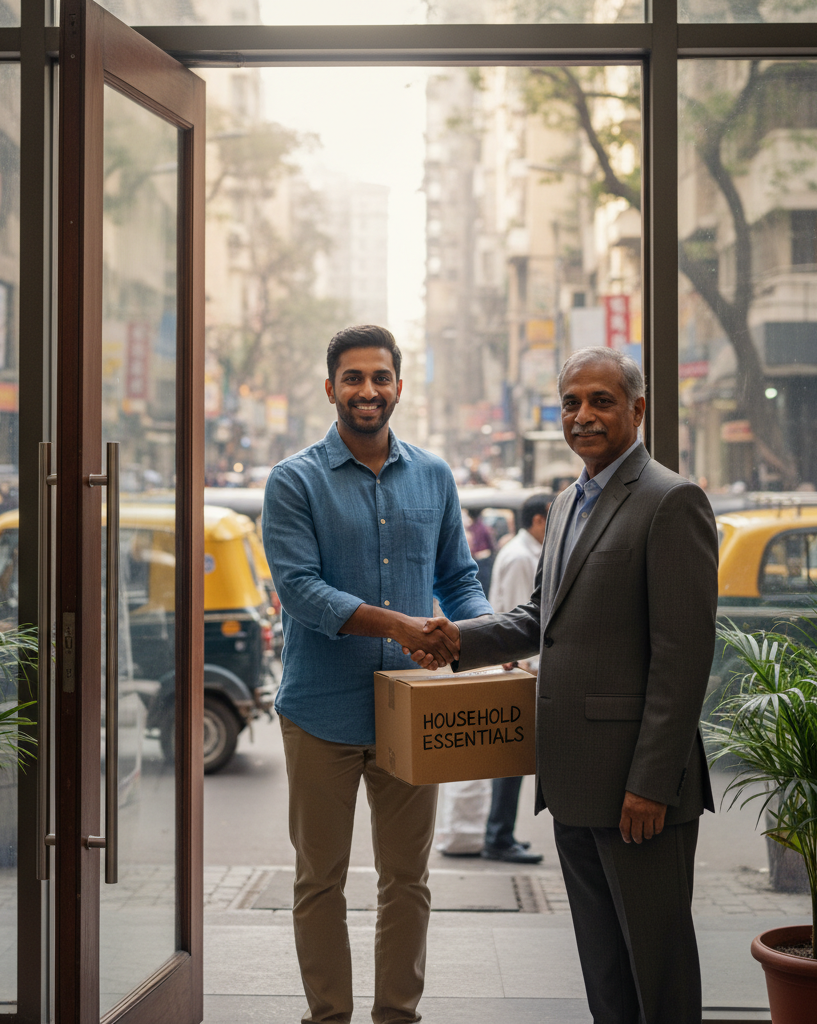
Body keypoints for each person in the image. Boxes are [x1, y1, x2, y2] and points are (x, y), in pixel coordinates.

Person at [414, 346, 718, 1024]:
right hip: (573, 781)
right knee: (604, 967)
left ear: (638, 409)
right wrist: (458, 640)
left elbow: (683, 658)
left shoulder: (672, 501)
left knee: (658, 969)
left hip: (639, 788)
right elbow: (539, 617)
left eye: (601, 401)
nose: (583, 415)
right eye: (571, 403)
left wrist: (651, 783)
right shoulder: (565, 503)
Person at [262, 324, 492, 1024]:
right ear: (331, 388)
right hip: (320, 713)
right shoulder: (294, 480)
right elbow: (300, 590)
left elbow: (458, 578)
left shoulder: (434, 475)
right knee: (319, 881)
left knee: (408, 881)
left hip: (410, 716)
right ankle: (328, 1016)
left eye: (380, 377)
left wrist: (482, 639)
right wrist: (398, 625)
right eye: (354, 378)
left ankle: (398, 1015)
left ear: (398, 385)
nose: (368, 390)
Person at [480, 493, 551, 865]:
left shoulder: (523, 551)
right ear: (537, 520)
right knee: (511, 755)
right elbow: (526, 617)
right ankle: (498, 836)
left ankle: (501, 834)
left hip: (516, 663)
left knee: (512, 754)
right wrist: (531, 667)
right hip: (520, 666)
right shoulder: (523, 556)